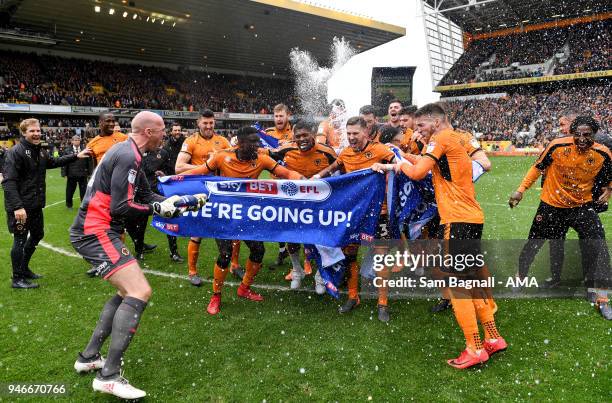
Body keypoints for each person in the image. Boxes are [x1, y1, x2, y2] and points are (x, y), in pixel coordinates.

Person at [70, 111, 205, 399]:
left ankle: (89, 357)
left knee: (125, 292)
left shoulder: (131, 153)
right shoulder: (128, 156)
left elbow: (145, 196)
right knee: (139, 291)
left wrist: (177, 202)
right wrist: (158, 210)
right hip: (96, 230)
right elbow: (122, 207)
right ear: (147, 132)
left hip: (98, 229)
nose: (165, 134)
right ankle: (109, 376)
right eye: (161, 130)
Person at [373, 103, 506, 368]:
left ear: (435, 121)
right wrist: (397, 159)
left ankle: (474, 348)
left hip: (457, 221)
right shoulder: (453, 139)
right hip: (470, 218)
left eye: (420, 125)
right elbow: (424, 165)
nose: (417, 131)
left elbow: (417, 172)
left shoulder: (441, 138)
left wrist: (398, 164)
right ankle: (492, 338)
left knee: (459, 287)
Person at [183, 126, 303, 315]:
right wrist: (173, 180)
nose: (257, 146)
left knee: (258, 250)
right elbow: (198, 173)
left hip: (248, 215)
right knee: (225, 254)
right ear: (240, 142)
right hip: (224, 215)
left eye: (258, 142)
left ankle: (244, 288)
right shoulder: (222, 157)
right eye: (253, 142)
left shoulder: (261, 158)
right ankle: (216, 295)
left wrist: (306, 180)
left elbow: (286, 173)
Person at [509, 116, 611, 320]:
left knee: (598, 247)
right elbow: (537, 167)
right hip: (551, 206)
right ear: (572, 134)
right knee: (533, 244)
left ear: (595, 135)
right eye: (578, 134)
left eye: (587, 135)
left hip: (582, 207)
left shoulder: (603, 153)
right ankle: (520, 278)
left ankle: (602, 298)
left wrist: (608, 189)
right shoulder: (556, 146)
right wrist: (521, 190)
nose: (582, 139)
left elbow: (609, 176)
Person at [314, 116, 396, 322]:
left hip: (380, 212)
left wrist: (384, 167)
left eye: (355, 134)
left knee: (381, 257)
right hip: (355, 213)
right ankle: (353, 296)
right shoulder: (346, 152)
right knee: (350, 255)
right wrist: (317, 178)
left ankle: (382, 303)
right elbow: (333, 167)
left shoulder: (380, 150)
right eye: (348, 134)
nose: (351, 138)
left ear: (366, 132)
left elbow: (400, 166)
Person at [2, 118, 91, 289]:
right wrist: (17, 207)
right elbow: (8, 182)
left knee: (37, 235)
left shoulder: (40, 151)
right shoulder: (15, 152)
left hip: (35, 205)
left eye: (38, 131)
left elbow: (53, 162)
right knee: (20, 240)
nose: (36, 134)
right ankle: (17, 278)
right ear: (23, 133)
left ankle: (24, 268)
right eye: (32, 131)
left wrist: (75, 156)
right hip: (21, 207)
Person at [269, 119, 337, 292]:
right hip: (293, 204)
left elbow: (341, 170)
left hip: (319, 205)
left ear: (313, 135)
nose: (302, 139)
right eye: (298, 136)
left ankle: (320, 274)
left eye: (305, 135)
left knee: (319, 240)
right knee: (292, 238)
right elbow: (265, 158)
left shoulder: (327, 152)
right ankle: (297, 270)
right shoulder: (286, 150)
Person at [174, 109, 234, 286]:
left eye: (211, 123)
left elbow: (231, 164)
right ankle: (192, 272)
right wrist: (205, 167)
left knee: (229, 230)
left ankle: (234, 265)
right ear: (198, 123)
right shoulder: (191, 141)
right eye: (205, 123)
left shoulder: (223, 141)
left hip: (220, 193)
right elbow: (178, 167)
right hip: (199, 192)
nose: (208, 126)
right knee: (197, 232)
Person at [126, 145, 175, 261]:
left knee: (169, 218)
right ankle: (139, 248)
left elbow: (169, 169)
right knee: (136, 223)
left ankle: (174, 251)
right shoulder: (133, 156)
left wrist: (164, 174)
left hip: (153, 190)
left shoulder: (163, 153)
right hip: (137, 192)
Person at [265, 103, 294, 266]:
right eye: (276, 116)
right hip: (275, 182)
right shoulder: (268, 133)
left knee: (295, 219)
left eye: (281, 116)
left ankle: (305, 257)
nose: (278, 119)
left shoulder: (295, 132)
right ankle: (282, 251)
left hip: (292, 181)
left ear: (287, 116)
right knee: (279, 219)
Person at [162, 123, 186, 262]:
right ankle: (173, 251)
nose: (177, 132)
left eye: (179, 130)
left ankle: (194, 240)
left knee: (192, 212)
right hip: (172, 185)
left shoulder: (186, 144)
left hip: (185, 184)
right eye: (175, 130)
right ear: (171, 132)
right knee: (171, 215)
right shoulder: (166, 147)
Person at [62, 135, 92, 209]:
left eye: (78, 140)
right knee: (69, 191)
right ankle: (69, 205)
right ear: (72, 141)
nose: (77, 141)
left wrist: (90, 173)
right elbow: (64, 163)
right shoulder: (67, 150)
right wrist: (64, 174)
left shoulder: (85, 149)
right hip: (71, 174)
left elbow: (89, 162)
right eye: (75, 140)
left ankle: (84, 205)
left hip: (83, 174)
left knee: (84, 191)